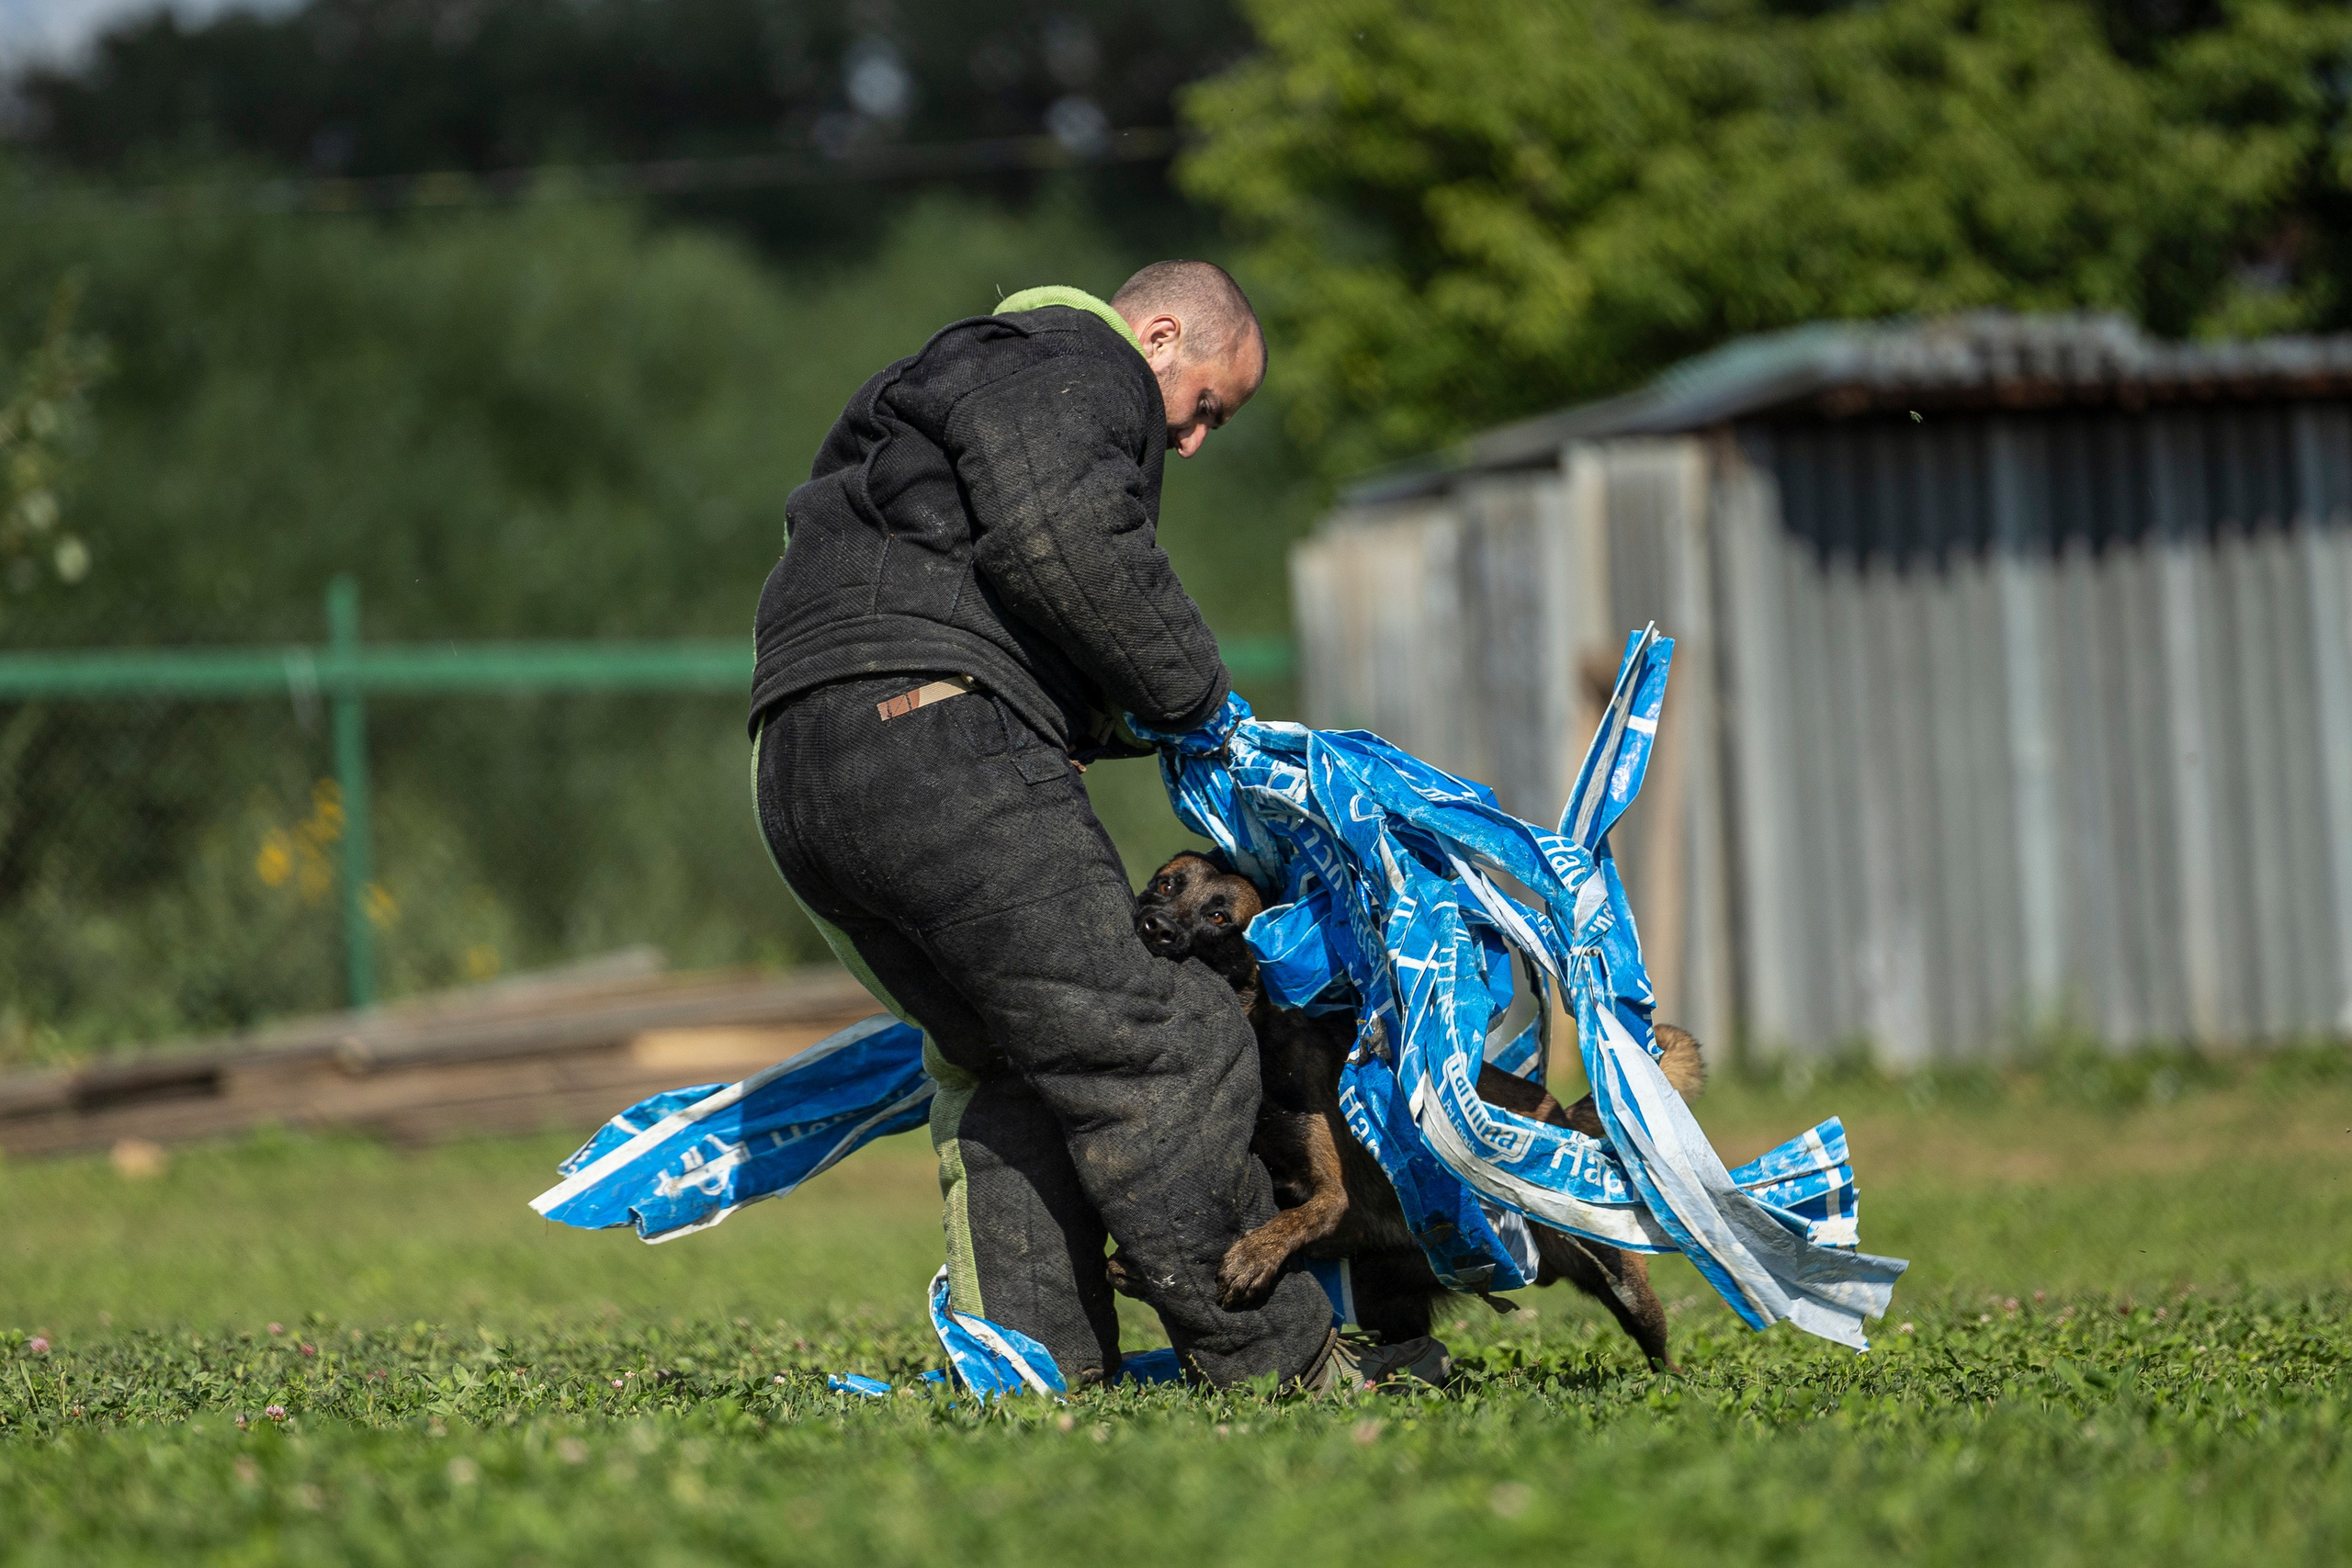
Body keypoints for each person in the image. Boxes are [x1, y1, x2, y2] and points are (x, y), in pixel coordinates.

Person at [746, 263, 1443, 1392]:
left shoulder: (943, 395)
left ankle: (1040, 1376)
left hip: (800, 768)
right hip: (930, 737)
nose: (1194, 441)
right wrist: (1202, 704)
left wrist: (1094, 713)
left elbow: (1009, 587)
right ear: (1157, 335)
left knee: (1007, 1061)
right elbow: (1066, 534)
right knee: (1165, 1040)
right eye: (1206, 405)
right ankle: (1285, 1375)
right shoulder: (1073, 362)